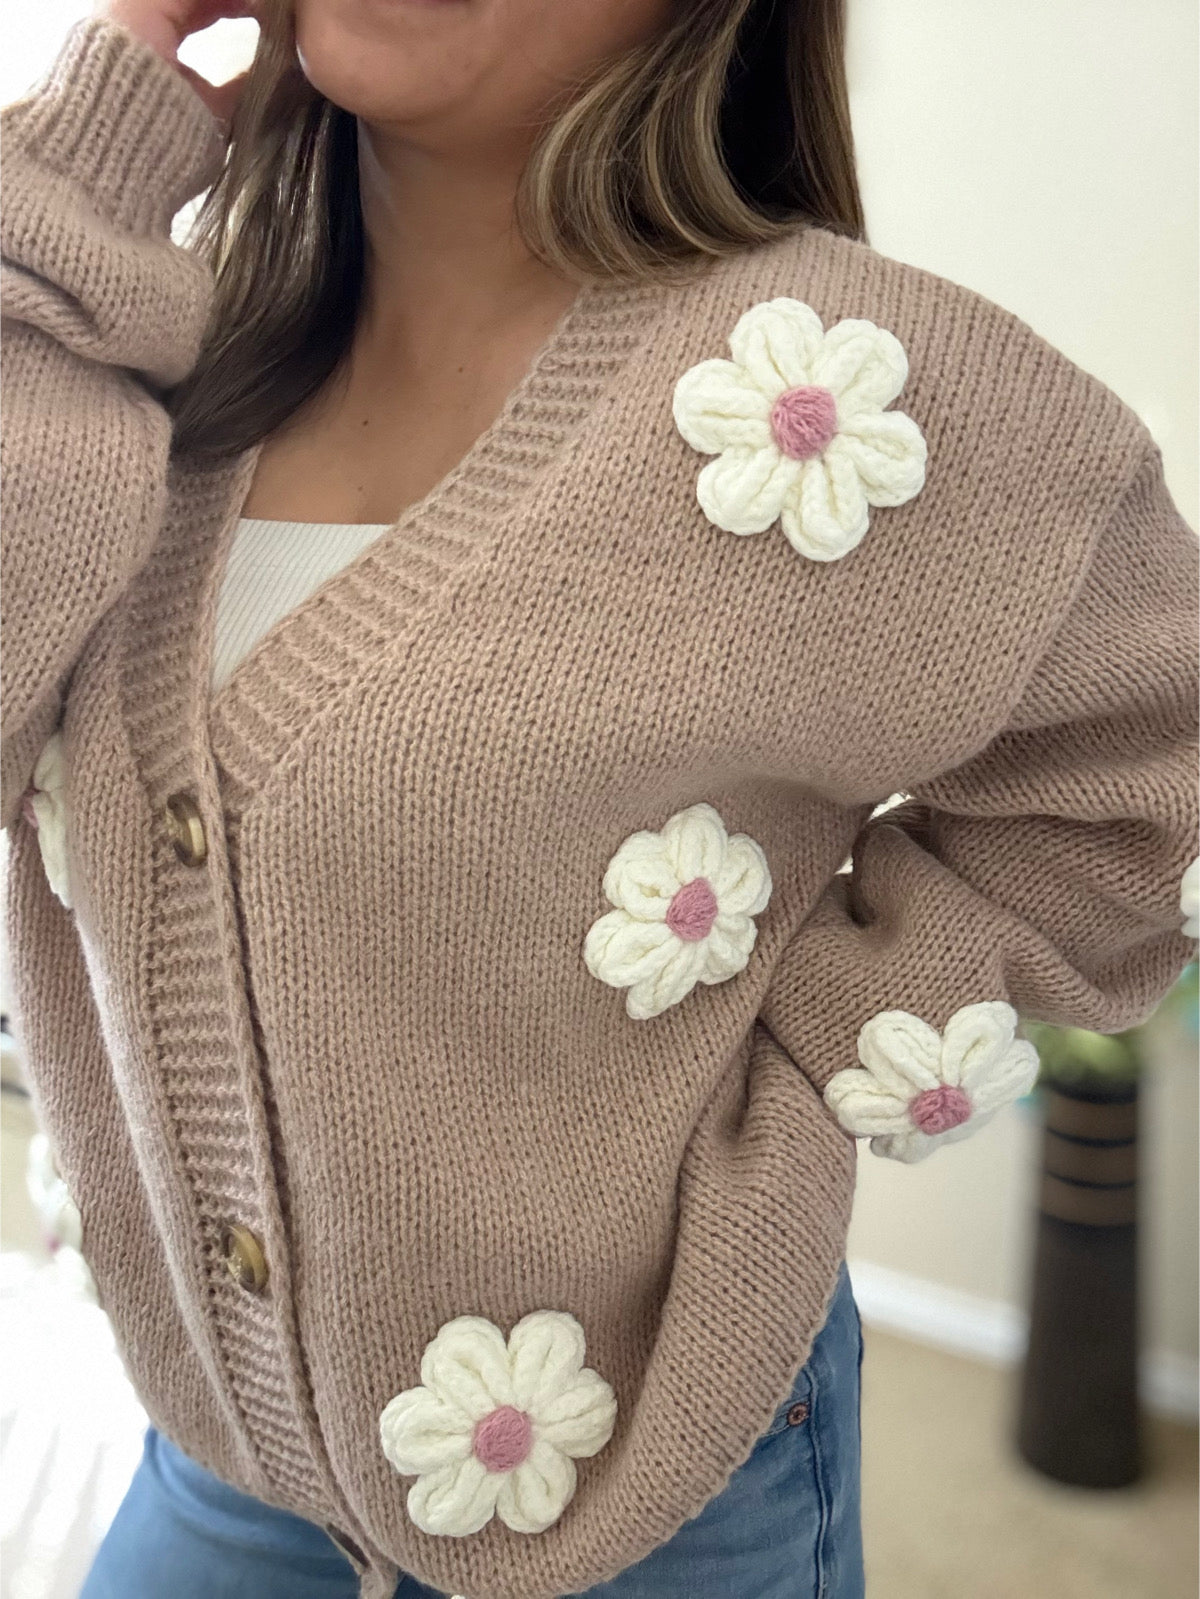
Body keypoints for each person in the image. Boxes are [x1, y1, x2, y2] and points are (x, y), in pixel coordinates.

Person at [1, 1, 1196, 1596]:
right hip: (219, 1471)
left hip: (654, 1489)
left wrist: (814, 1056)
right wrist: (93, 154)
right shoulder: (150, 378)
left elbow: (1148, 764)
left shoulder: (834, 395)